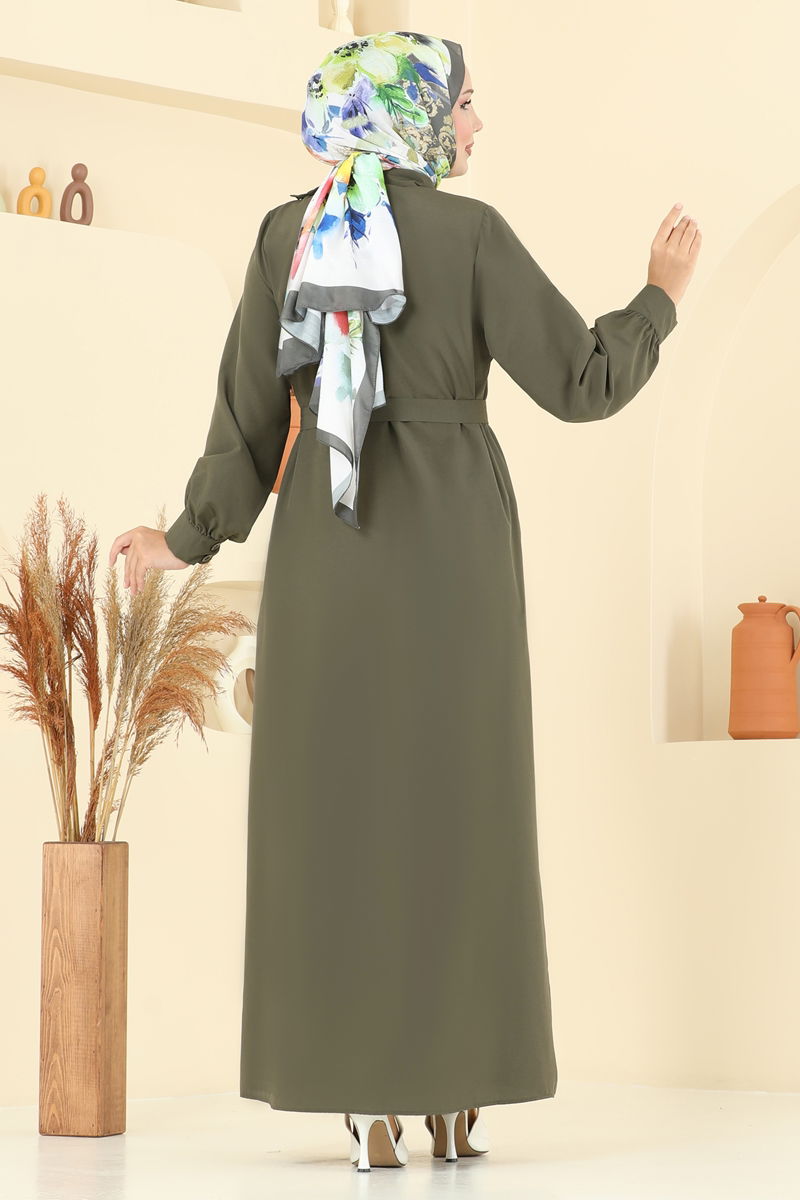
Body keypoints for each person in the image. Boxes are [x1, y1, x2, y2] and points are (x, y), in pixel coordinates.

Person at [108, 31, 701, 1172]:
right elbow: (581, 382)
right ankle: (453, 1090)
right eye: (464, 103)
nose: (476, 124)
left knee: (337, 812)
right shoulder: (470, 235)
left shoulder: (286, 236)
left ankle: (361, 1094)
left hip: (327, 553)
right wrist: (659, 298)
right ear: (414, 113)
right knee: (457, 808)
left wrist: (183, 540)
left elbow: (248, 425)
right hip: (453, 556)